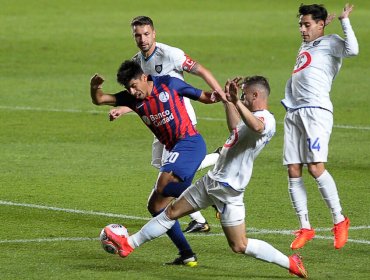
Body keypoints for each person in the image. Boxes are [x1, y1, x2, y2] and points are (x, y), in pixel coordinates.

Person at [104, 76, 308, 278]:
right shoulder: (249, 116)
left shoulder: (267, 119)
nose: (242, 98)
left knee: (239, 245)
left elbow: (257, 127)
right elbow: (235, 128)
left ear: (256, 95)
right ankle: (128, 244)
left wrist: (236, 102)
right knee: (170, 212)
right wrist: (228, 101)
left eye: (244, 95)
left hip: (229, 191)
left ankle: (290, 262)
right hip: (213, 181)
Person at [90, 60, 224, 266]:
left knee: (163, 185)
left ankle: (211, 195)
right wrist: (95, 86)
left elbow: (203, 96)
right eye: (128, 88)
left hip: (190, 143)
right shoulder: (132, 99)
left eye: (134, 85)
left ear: (144, 77)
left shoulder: (169, 84)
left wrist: (216, 96)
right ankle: (186, 254)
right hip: (174, 149)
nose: (132, 91)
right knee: (155, 206)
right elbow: (99, 100)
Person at [110, 16, 224, 233]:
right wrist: (124, 109)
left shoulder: (170, 54)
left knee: (171, 172)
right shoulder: (137, 63)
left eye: (146, 34)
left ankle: (200, 212)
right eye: (137, 35)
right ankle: (215, 163)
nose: (142, 39)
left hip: (179, 118)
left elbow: (201, 70)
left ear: (154, 33)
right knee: (161, 166)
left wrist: (219, 93)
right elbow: (141, 96)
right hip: (159, 121)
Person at [281, 3, 359, 250]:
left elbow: (353, 50)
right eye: (300, 25)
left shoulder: (332, 42)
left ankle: (339, 220)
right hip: (295, 112)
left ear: (321, 24)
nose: (302, 30)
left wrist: (345, 21)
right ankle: (305, 227)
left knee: (315, 167)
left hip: (316, 111)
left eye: (307, 25)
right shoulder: (306, 44)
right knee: (294, 169)